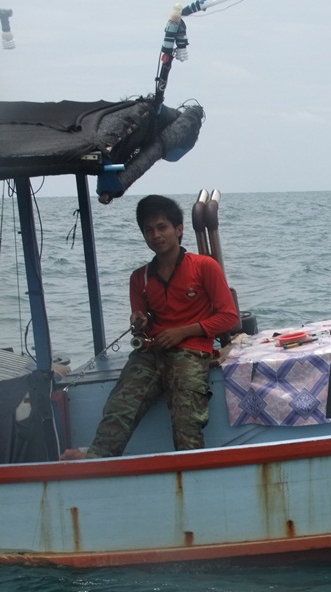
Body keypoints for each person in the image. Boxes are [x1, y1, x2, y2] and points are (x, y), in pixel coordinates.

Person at [63, 195, 239, 458]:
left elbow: (229, 317)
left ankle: (191, 470)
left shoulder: (204, 267)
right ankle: (96, 461)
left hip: (191, 352)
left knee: (187, 419)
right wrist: (139, 324)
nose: (156, 235)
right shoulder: (139, 278)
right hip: (150, 353)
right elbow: (140, 326)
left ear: (179, 230)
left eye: (162, 227)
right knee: (120, 408)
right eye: (148, 230)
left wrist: (183, 331)